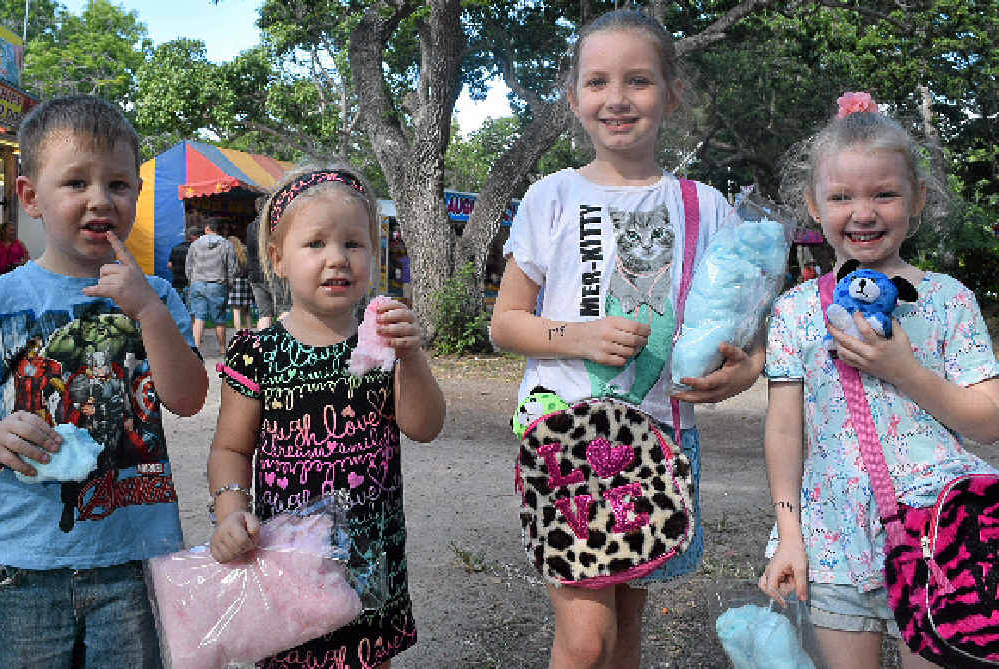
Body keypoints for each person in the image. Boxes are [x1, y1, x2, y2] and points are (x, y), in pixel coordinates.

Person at [489, 10, 766, 668]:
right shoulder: (549, 197)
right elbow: (505, 325)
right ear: (573, 96)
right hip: (565, 432)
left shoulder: (707, 206)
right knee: (587, 638)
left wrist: (744, 369)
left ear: (671, 93)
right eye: (598, 82)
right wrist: (581, 335)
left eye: (638, 81)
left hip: (662, 439)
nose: (616, 99)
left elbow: (750, 332)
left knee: (626, 633)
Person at [759, 92, 999, 669]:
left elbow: (988, 421)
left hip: (937, 534)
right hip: (831, 538)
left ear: (917, 198)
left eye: (884, 193)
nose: (863, 213)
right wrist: (789, 535)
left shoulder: (947, 300)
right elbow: (785, 430)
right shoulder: (795, 311)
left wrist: (905, 370)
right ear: (814, 207)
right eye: (841, 196)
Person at [0, 94, 208, 668]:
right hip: (19, 568)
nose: (100, 199)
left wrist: (148, 311)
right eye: (75, 183)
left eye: (119, 185)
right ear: (30, 196)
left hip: (136, 563)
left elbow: (187, 398)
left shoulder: (160, 294)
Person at [207, 165, 445, 669]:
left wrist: (411, 356)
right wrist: (230, 512)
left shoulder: (381, 347)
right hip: (288, 564)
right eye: (315, 243)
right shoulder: (258, 351)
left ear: (373, 256)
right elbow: (231, 447)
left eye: (353, 244)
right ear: (278, 260)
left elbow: (425, 427)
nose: (337, 258)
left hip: (370, 562)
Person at [186, 218, 237, 351]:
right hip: (217, 284)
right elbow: (232, 268)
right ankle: (222, 348)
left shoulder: (195, 244)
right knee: (219, 319)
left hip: (197, 283)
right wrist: (228, 285)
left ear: (207, 228)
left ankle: (196, 348)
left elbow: (189, 266)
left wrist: (192, 281)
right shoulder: (227, 245)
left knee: (199, 316)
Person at [246, 196, 288, 329]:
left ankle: (264, 346)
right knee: (283, 309)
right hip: (273, 272)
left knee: (265, 314)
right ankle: (284, 344)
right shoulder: (273, 225)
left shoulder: (251, 226)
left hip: (255, 275)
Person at [167, 225, 201, 300]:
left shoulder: (176, 248)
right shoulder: (196, 250)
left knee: (178, 307)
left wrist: (177, 271)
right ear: (195, 237)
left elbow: (169, 265)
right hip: (191, 285)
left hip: (177, 283)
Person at [226, 234, 252, 329]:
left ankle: (239, 333)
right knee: (247, 310)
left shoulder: (229, 252)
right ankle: (250, 332)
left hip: (234, 281)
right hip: (246, 281)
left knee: (236, 310)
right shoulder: (245, 250)